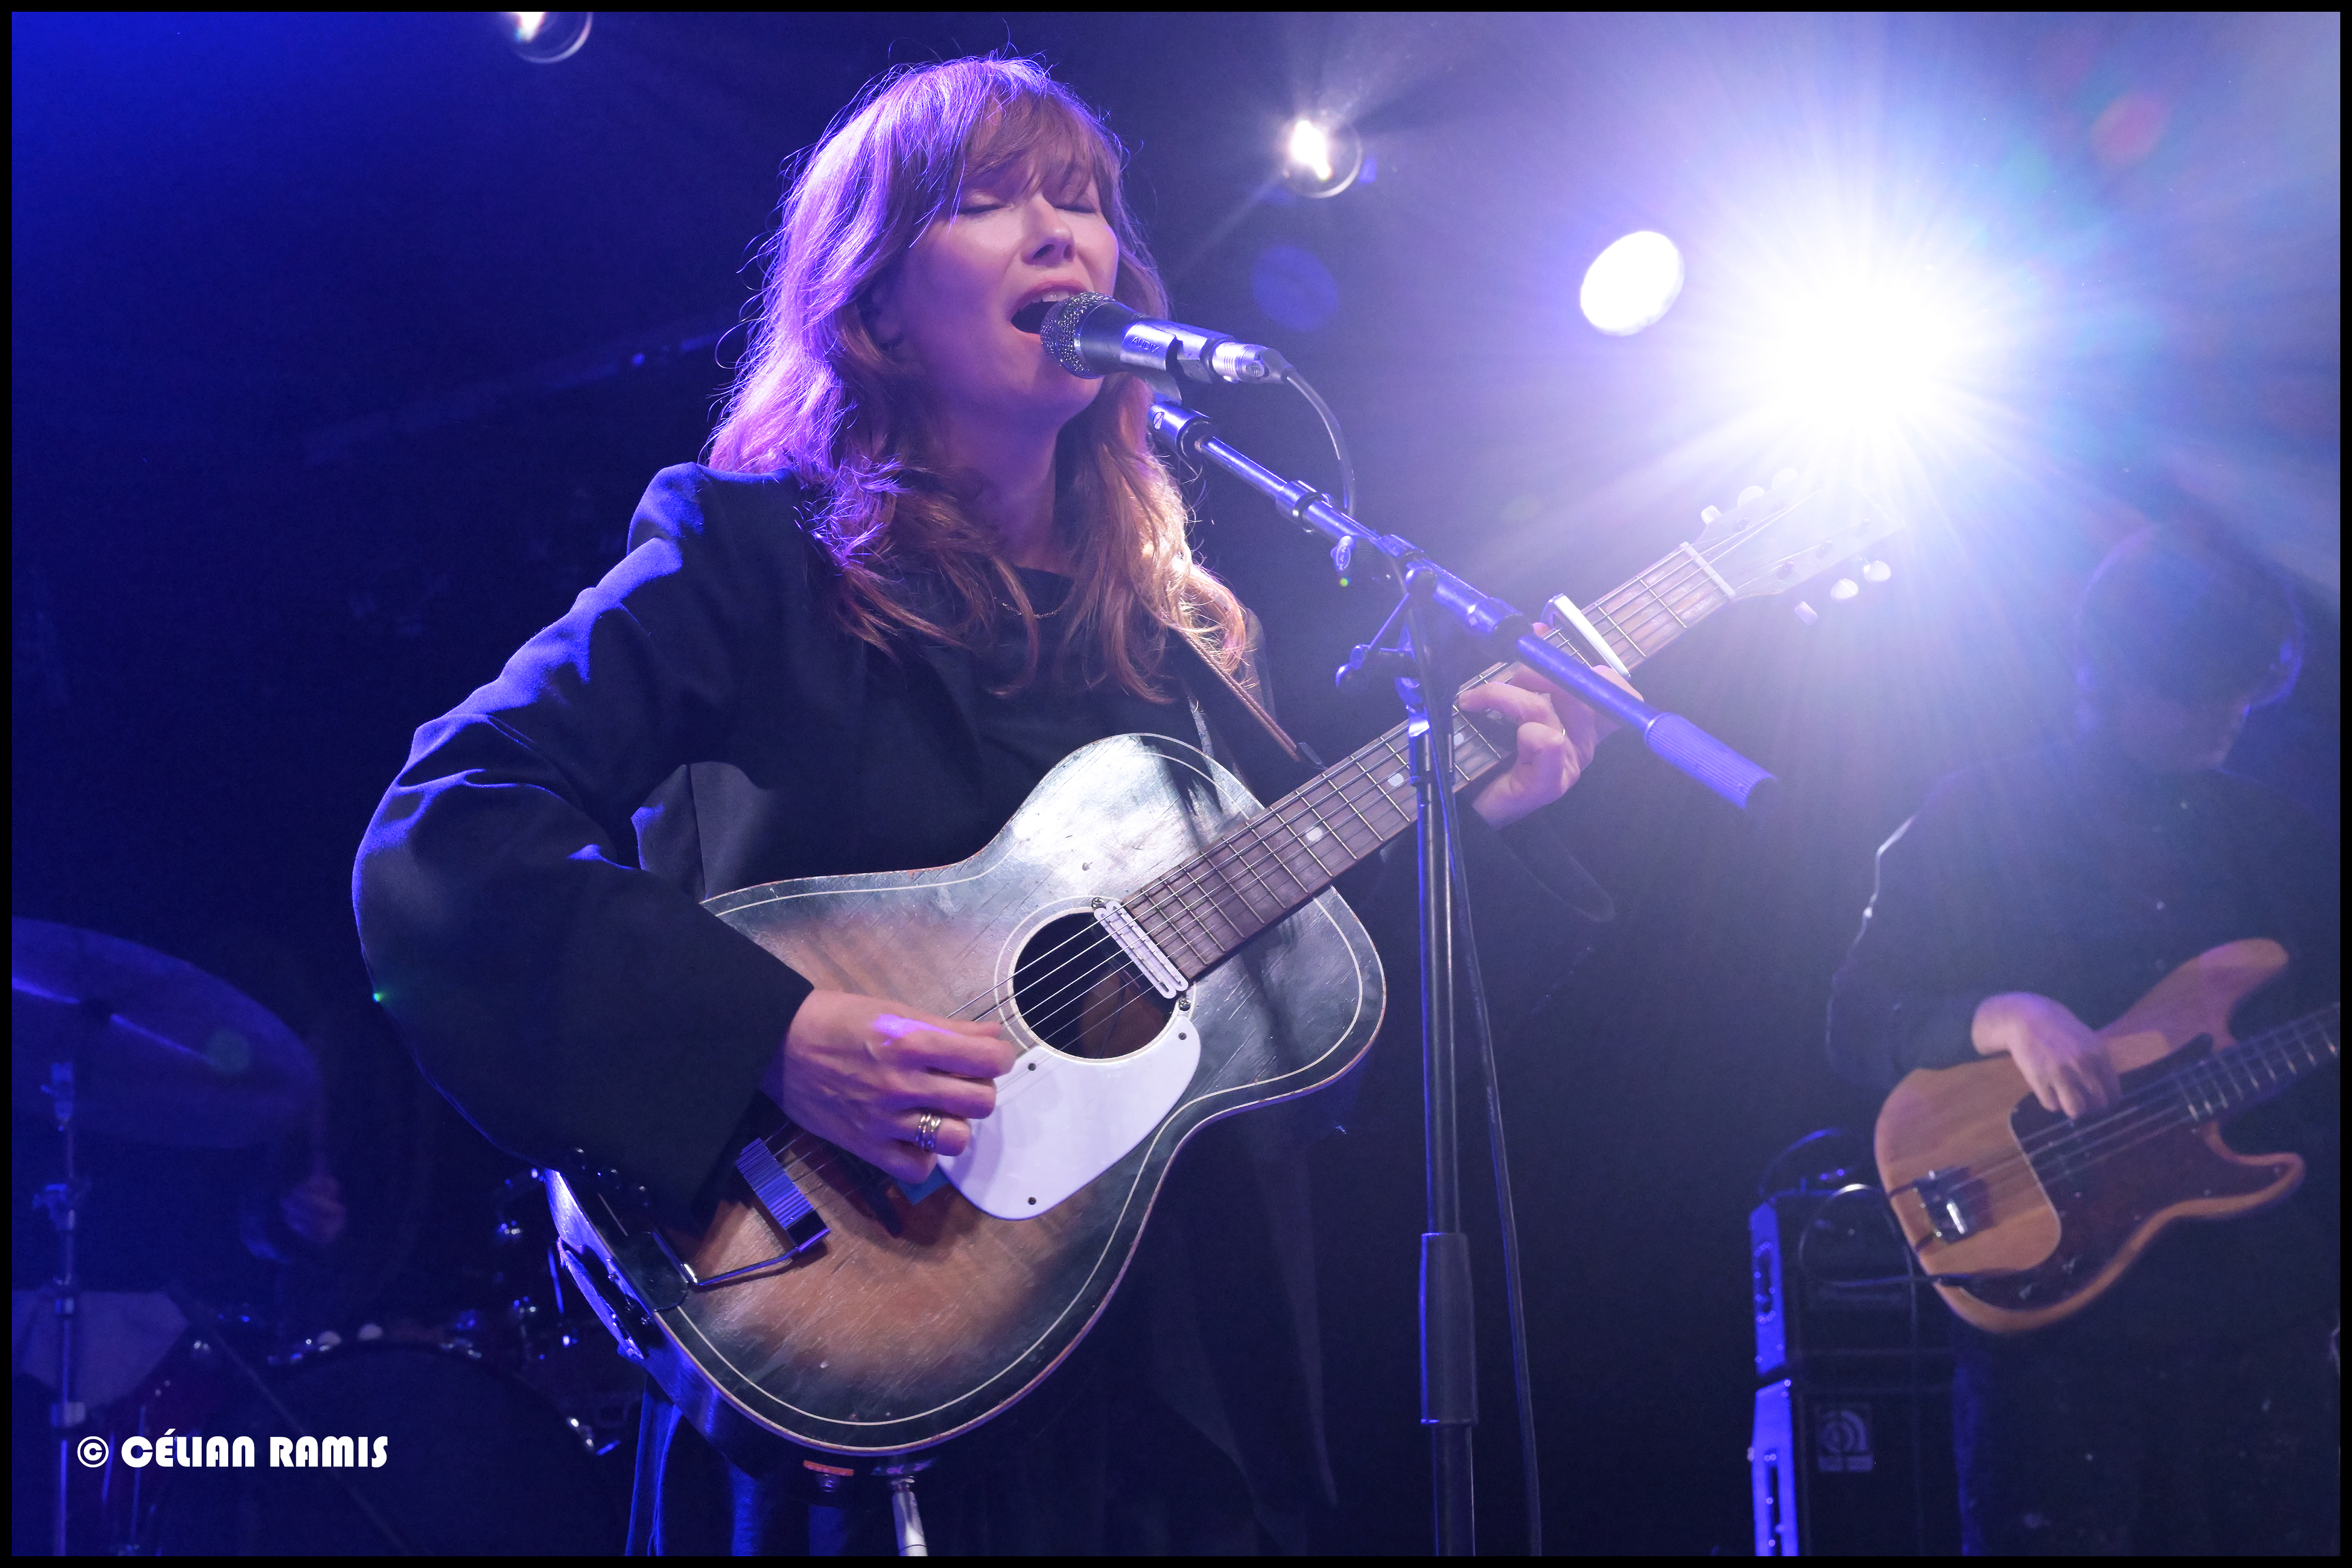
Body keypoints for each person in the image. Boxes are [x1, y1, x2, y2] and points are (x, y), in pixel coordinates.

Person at [356, 58, 1617, 1555]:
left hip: (1174, 1407)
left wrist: (1482, 811)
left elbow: (1332, 1031)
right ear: (876, 307)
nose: (1060, 235)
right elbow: (442, 834)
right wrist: (772, 1029)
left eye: (1084, 202)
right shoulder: (747, 566)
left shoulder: (1182, 655)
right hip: (857, 1347)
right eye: (991, 199)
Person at [1829, 525, 2340, 1555]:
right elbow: (1856, 1020)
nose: (2230, 718)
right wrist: (2004, 1014)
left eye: (2242, 693)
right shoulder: (1981, 812)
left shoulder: (2281, 838)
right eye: (2201, 694)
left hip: (2262, 1318)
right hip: (2056, 1332)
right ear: (2111, 672)